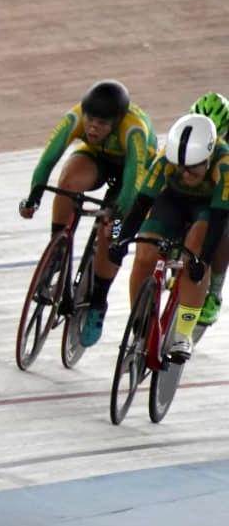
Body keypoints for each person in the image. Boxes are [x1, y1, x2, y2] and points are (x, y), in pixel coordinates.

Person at [19, 79, 157, 347]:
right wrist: (33, 199)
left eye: (102, 123)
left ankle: (98, 302)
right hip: (98, 157)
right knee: (68, 183)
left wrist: (118, 220)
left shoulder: (134, 131)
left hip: (133, 172)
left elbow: (132, 187)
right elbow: (48, 159)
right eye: (90, 120)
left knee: (111, 232)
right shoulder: (76, 117)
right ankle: (57, 251)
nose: (93, 127)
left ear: (116, 122)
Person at [109, 113, 229, 359]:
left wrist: (203, 261)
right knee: (145, 251)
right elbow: (141, 204)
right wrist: (119, 238)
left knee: (195, 254)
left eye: (193, 168)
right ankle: (139, 323)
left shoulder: (224, 164)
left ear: (208, 157)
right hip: (172, 201)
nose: (185, 174)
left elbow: (218, 221)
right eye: (180, 167)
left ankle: (183, 334)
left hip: (208, 208)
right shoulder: (165, 158)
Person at [188, 92, 229, 328]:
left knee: (223, 229)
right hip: (199, 182)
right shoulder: (188, 128)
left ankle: (215, 292)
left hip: (224, 186)